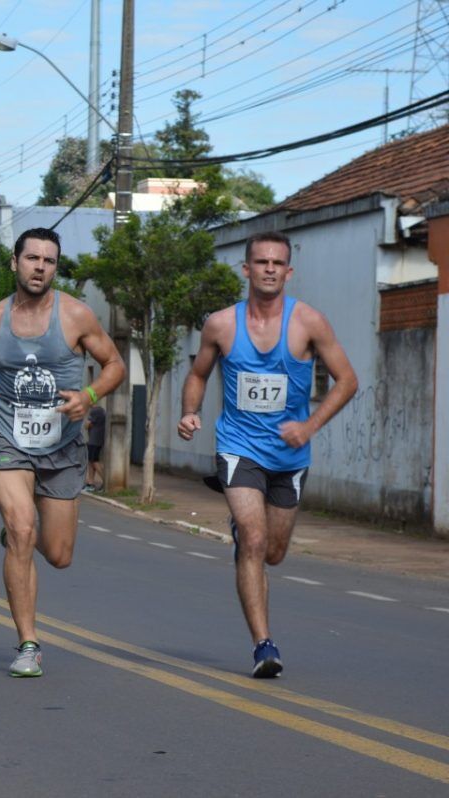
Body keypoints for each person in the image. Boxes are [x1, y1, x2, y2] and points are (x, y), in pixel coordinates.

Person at [177, 230, 357, 679]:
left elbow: (348, 380)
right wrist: (189, 412)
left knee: (272, 552)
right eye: (261, 262)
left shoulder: (309, 322)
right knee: (254, 540)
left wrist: (309, 426)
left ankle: (247, 540)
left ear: (289, 271)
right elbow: (198, 373)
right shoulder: (221, 324)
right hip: (238, 448)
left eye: (278, 263)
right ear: (247, 269)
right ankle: (263, 645)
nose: (270, 269)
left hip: (290, 457)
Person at [0, 227, 125, 678]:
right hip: (7, 438)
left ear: (55, 267)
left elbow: (115, 365)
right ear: (15, 262)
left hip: (64, 444)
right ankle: (28, 643)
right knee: (23, 527)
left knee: (59, 553)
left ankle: (17, 539)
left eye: (49, 261)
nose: (40, 267)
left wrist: (89, 395)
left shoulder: (77, 316)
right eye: (32, 259)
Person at [84, 403, 106, 492]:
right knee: (90, 461)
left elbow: (87, 425)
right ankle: (90, 483)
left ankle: (106, 480)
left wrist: (86, 424)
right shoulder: (102, 410)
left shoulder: (95, 411)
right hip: (97, 439)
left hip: (94, 440)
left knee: (94, 461)